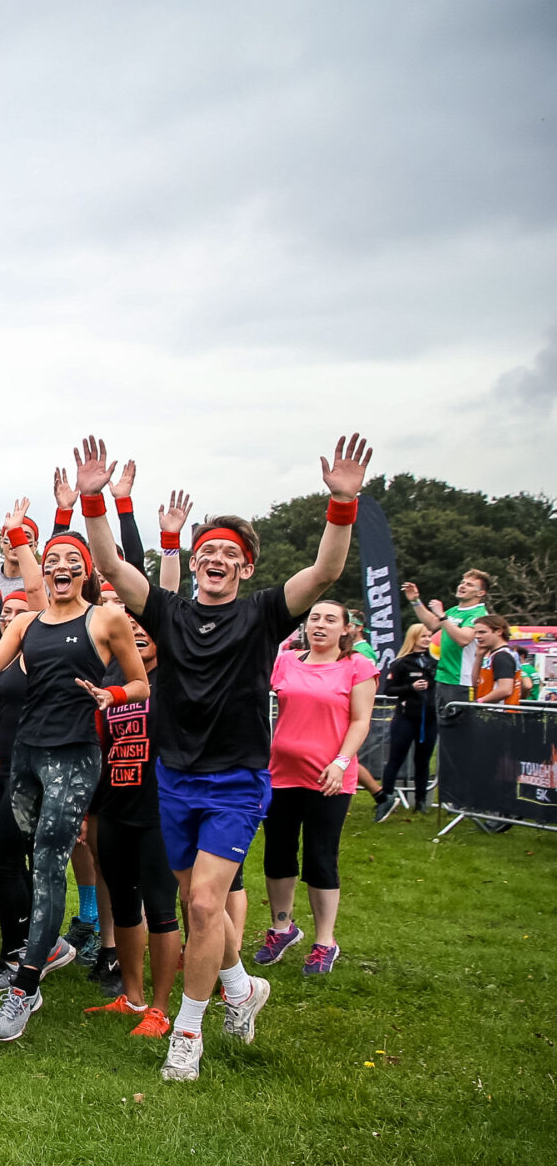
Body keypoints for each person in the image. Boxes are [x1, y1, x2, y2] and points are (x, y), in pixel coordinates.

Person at [79, 432, 371, 1081]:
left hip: (236, 781)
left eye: (227, 553)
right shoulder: (170, 612)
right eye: (205, 549)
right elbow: (113, 566)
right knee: (197, 906)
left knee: (206, 906)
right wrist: (95, 499)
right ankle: (241, 986)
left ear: (243, 568)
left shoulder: (266, 614)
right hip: (174, 779)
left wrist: (341, 505)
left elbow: (323, 573)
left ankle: (188, 1032)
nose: (213, 557)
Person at [0, 520, 145, 1043]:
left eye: (70, 560)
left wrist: (114, 697)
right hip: (26, 756)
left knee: (51, 864)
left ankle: (25, 986)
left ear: (85, 571)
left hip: (74, 756)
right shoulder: (27, 623)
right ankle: (39, 952)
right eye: (52, 560)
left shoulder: (106, 620)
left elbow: (141, 681)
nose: (60, 567)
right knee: (15, 856)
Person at [257, 599, 377, 979]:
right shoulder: (286, 661)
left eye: (329, 620)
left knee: (320, 858)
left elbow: (360, 721)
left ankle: (325, 941)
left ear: (346, 629)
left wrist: (341, 763)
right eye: (314, 619)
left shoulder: (357, 666)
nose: (319, 625)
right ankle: (282, 928)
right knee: (278, 855)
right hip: (281, 775)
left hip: (330, 778)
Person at [83, 618, 184, 1034]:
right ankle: (132, 997)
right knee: (124, 907)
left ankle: (160, 1009)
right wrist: (92, 812)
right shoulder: (110, 680)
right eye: (130, 626)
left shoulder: (174, 680)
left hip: (161, 811)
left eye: (146, 625)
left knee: (161, 909)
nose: (139, 630)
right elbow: (100, 748)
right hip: (113, 808)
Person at [401, 571, 491, 722]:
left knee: (459, 730)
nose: (462, 586)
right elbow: (432, 624)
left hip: (461, 681)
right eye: (462, 582)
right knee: (444, 728)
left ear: (481, 593)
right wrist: (416, 601)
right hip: (444, 678)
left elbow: (463, 639)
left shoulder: (479, 614)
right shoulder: (455, 610)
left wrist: (443, 616)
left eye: (469, 584)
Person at [372, 625, 435, 818]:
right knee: (395, 759)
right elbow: (388, 690)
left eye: (429, 636)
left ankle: (421, 801)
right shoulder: (401, 663)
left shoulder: (435, 663)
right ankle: (386, 798)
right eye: (423, 636)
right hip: (405, 718)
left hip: (429, 719)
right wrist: (411, 687)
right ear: (413, 638)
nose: (427, 639)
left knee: (423, 761)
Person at [472, 616, 522, 704]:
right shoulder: (496, 654)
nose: (477, 636)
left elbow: (505, 690)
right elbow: (475, 683)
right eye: (475, 633)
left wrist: (479, 701)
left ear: (499, 631)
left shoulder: (502, 656)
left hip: (500, 713)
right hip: (492, 711)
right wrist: (479, 657)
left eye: (482, 632)